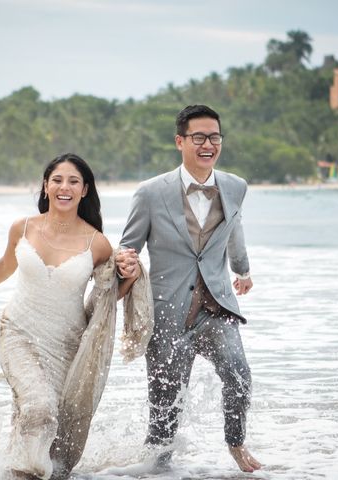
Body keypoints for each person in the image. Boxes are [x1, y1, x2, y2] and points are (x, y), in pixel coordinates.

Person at [0, 153, 150, 480]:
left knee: (45, 422)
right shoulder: (23, 227)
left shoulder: (96, 243)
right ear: (45, 186)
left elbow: (106, 298)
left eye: (73, 181)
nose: (64, 187)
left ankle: (17, 471)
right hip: (17, 332)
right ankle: (28, 472)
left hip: (66, 346)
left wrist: (131, 274)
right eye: (57, 180)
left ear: (85, 190)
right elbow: (7, 264)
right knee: (40, 408)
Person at [116, 105, 262, 473]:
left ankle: (236, 443)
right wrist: (124, 264)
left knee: (239, 374)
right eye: (199, 137)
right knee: (164, 410)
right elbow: (128, 245)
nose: (208, 144)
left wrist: (242, 270)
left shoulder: (235, 186)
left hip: (216, 307)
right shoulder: (150, 193)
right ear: (180, 141)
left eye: (214, 137)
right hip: (167, 313)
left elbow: (234, 228)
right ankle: (156, 468)